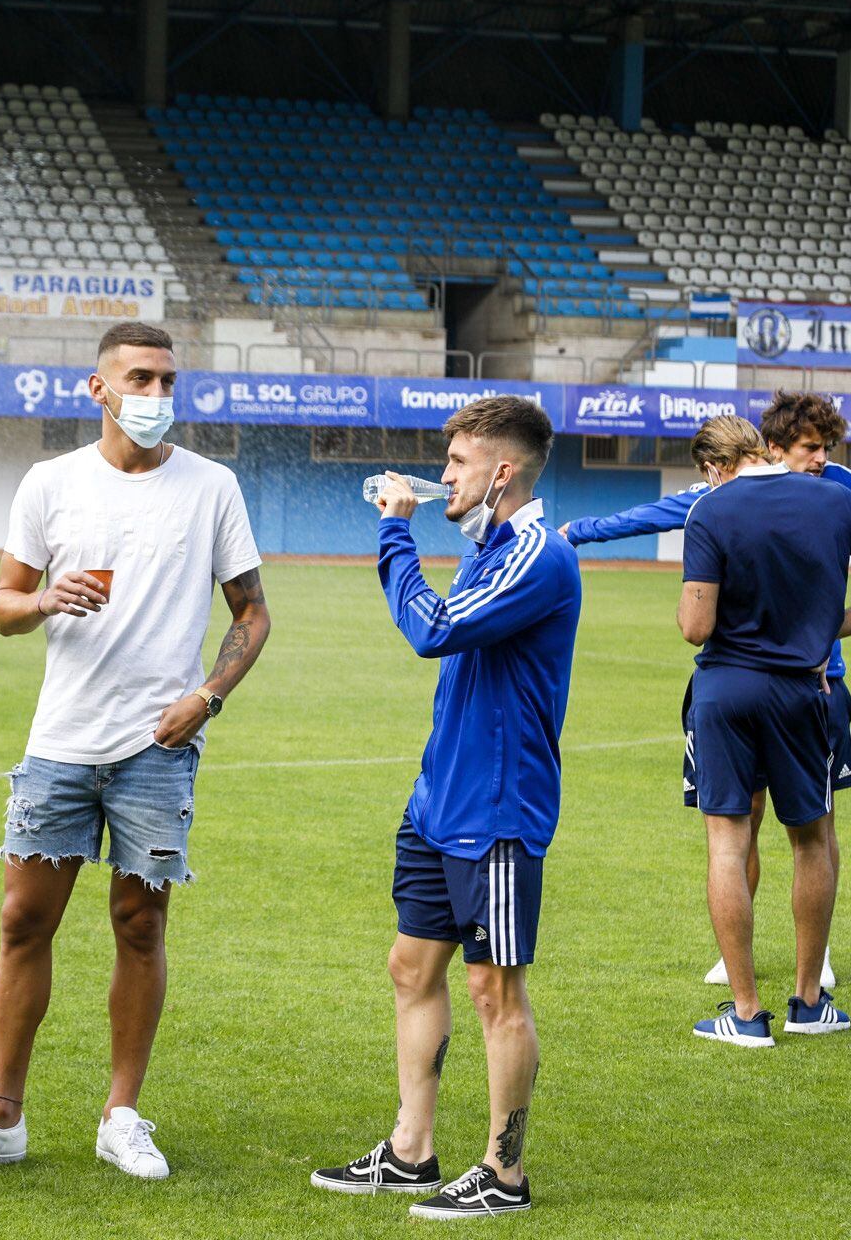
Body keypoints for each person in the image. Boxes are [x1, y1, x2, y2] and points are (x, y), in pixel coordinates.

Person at [0, 322, 269, 1182]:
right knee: (23, 921)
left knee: (140, 925)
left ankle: (122, 1115)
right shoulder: (51, 481)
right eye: (139, 378)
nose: (156, 396)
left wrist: (206, 697)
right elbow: (1, 604)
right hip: (61, 742)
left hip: (157, 744)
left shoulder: (212, 487)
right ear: (97, 389)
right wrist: (41, 603)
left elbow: (250, 613)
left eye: (168, 381)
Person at [559, 392, 851, 988]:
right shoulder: (726, 497)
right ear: (774, 448)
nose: (820, 459)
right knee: (753, 817)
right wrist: (575, 531)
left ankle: (815, 952)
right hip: (793, 686)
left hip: (803, 681)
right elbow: (649, 514)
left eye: (825, 449)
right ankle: (746, 953)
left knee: (809, 826)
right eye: (810, 448)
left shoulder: (831, 489)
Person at [312, 397, 578, 1220]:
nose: (443, 475)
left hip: (496, 813)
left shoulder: (536, 554)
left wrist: (394, 531)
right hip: (439, 804)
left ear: (501, 472)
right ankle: (410, 1152)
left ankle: (504, 1173)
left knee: (495, 990)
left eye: (458, 462)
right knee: (410, 968)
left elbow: (431, 630)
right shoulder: (488, 545)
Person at [679, 416, 851, 1047]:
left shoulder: (711, 510)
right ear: (767, 448)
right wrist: (825, 633)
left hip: (725, 690)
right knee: (813, 841)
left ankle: (746, 1013)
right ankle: (809, 1003)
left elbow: (694, 627)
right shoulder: (838, 499)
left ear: (713, 466)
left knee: (729, 845)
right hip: (803, 690)